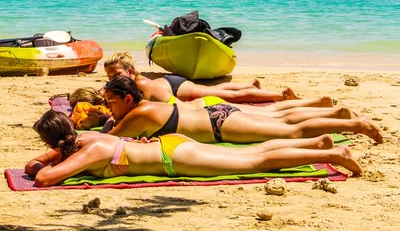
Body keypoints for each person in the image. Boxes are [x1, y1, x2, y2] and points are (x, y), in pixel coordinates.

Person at [25, 110, 362, 187]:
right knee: (253, 153)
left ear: (53, 142)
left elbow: (42, 178)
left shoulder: (86, 153)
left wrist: (45, 162)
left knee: (258, 160)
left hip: (176, 159)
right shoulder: (86, 139)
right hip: (174, 146)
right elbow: (33, 166)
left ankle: (331, 155)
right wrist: (45, 158)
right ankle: (317, 144)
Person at [101, 77, 383, 145]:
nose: (109, 107)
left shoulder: (137, 116)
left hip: (218, 125)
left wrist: (106, 123)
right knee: (281, 119)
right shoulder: (146, 106)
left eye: (111, 102)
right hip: (217, 115)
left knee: (290, 131)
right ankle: (336, 114)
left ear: (127, 99)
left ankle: (356, 126)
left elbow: (110, 139)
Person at [103, 51, 336, 115]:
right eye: (110, 77)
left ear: (131, 71)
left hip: (176, 88)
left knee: (228, 97)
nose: (113, 80)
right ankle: (253, 89)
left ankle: (280, 97)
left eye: (116, 74)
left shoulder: (140, 86)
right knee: (219, 90)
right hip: (174, 87)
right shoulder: (131, 85)